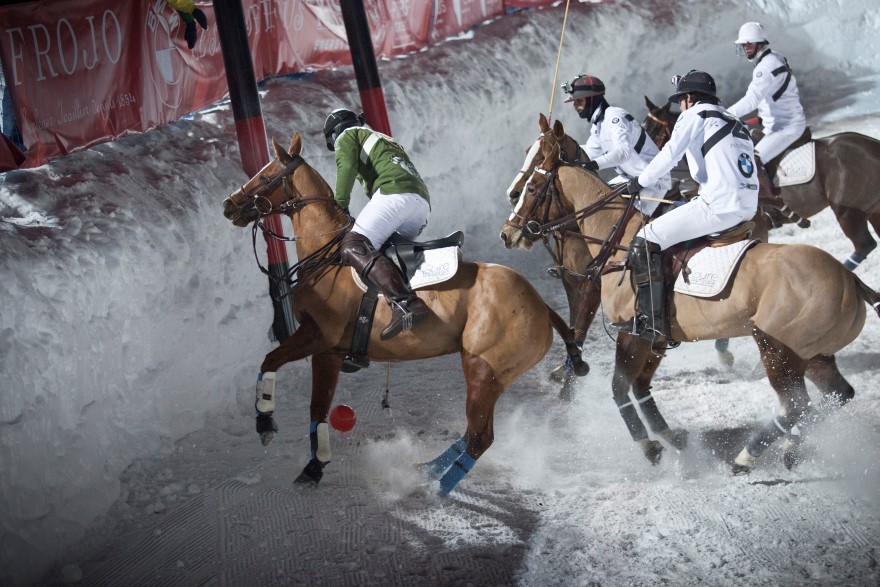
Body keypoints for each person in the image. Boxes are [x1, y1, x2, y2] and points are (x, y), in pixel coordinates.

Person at [610, 71, 759, 342]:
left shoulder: (694, 115)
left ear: (689, 98)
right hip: (748, 205)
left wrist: (639, 182)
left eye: (680, 100)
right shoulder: (734, 119)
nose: (680, 106)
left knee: (644, 240)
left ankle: (650, 321)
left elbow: (669, 154)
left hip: (718, 205)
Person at [323, 108, 432, 340]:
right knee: (382, 255)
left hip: (394, 194)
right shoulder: (383, 138)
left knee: (353, 245)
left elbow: (347, 169)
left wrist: (339, 204)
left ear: (334, 134)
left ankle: (405, 305)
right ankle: (370, 328)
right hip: (421, 204)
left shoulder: (347, 135)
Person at [562, 74, 672, 217]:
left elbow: (623, 151)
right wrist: (561, 147)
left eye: (579, 101)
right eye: (574, 102)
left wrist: (594, 165)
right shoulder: (598, 126)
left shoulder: (615, 117)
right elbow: (589, 152)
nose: (575, 106)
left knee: (627, 225)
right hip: (630, 178)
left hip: (653, 181)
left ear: (592, 99)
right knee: (594, 202)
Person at [727, 22, 807, 194]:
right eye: (743, 45)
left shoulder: (765, 67)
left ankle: (772, 205)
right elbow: (772, 97)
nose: (745, 48)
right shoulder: (771, 59)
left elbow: (751, 100)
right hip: (774, 125)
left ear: (760, 43)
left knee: (752, 160)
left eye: (749, 44)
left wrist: (724, 115)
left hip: (786, 128)